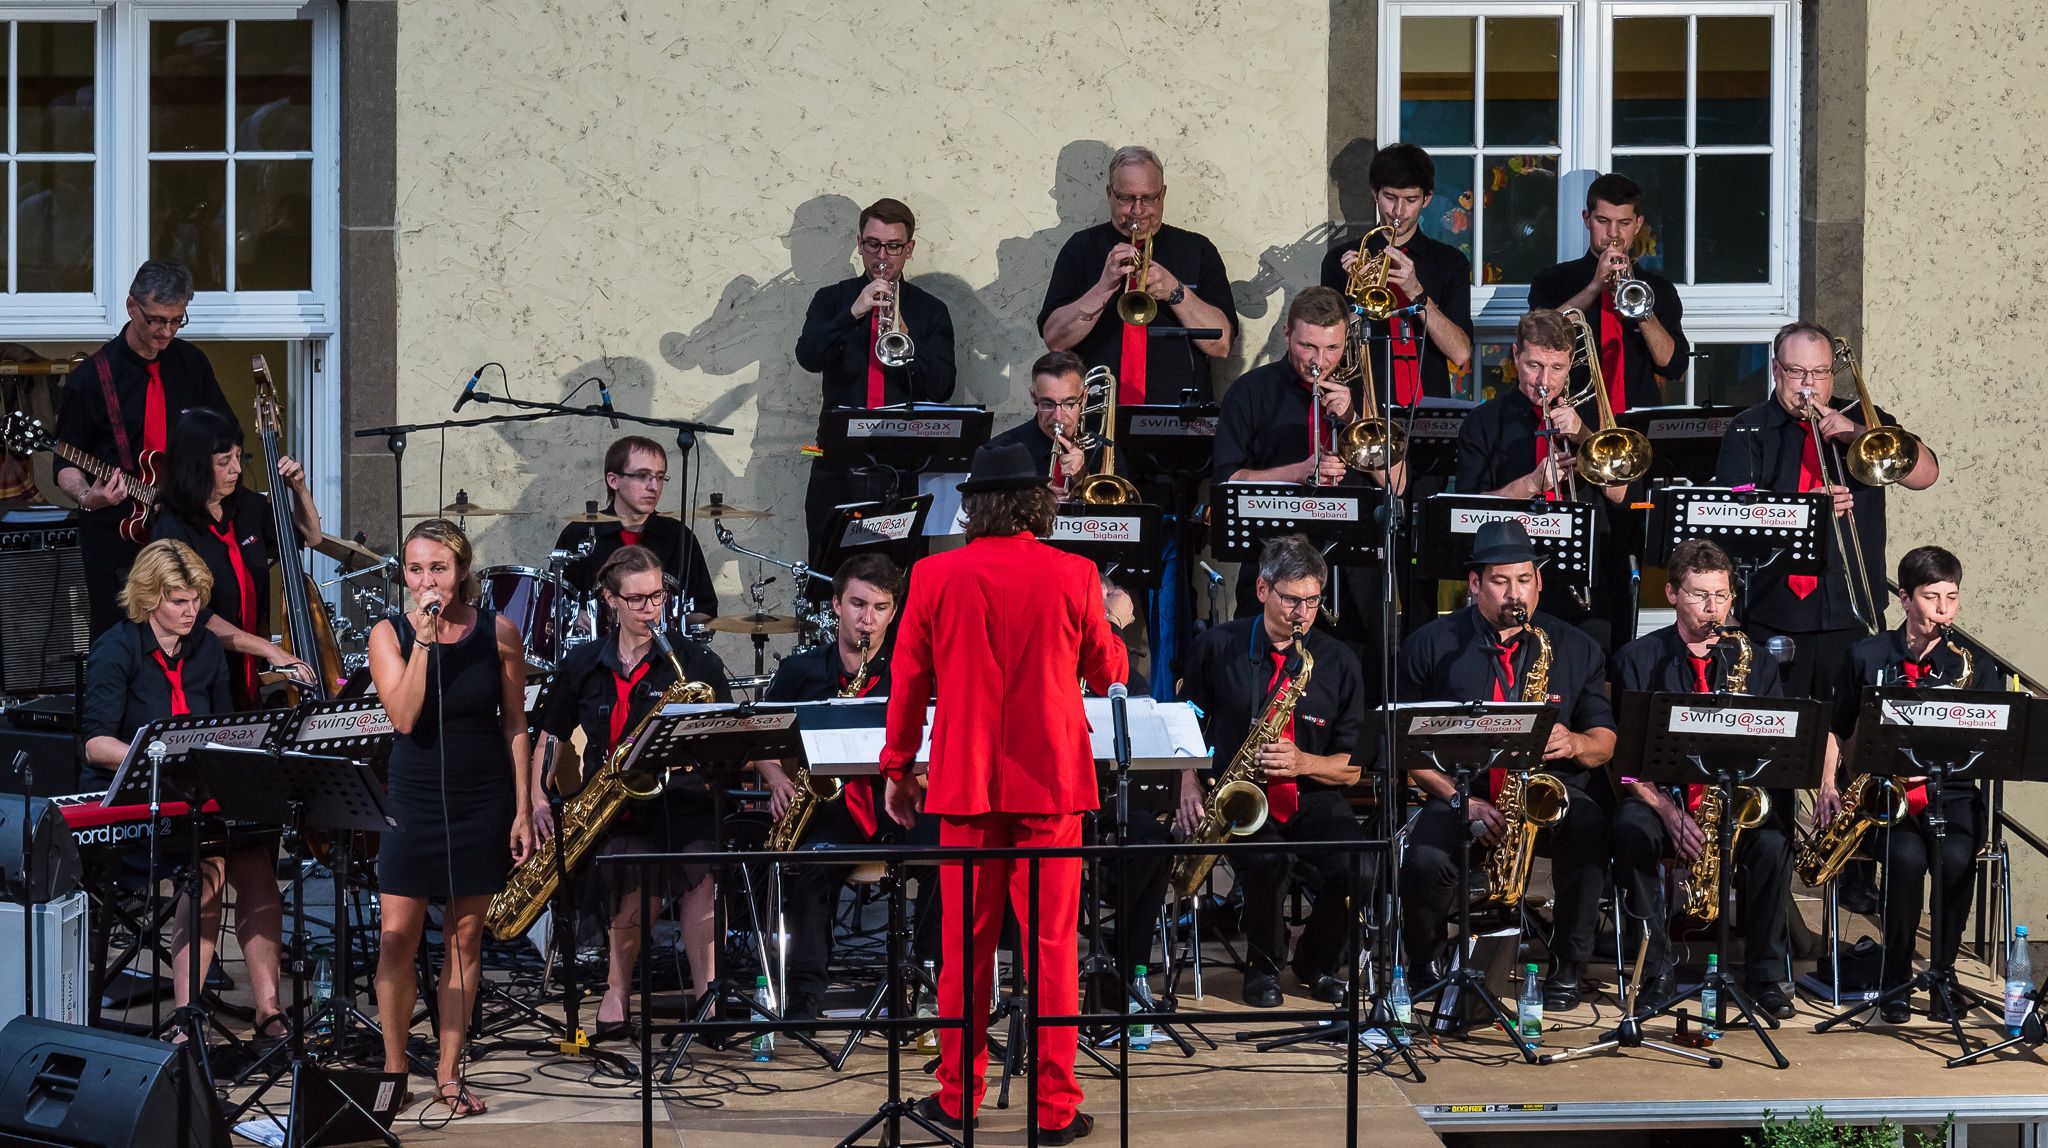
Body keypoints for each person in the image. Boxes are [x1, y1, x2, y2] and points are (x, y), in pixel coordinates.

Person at [880, 441, 1126, 1145]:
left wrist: (898, 768)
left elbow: (909, 684)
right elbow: (1108, 671)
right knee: (1052, 947)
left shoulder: (932, 576)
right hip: (1050, 782)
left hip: (965, 783)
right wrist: (1108, 619)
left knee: (966, 950)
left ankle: (958, 1096)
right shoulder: (1075, 574)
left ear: (974, 504)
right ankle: (1054, 1111)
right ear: (1037, 503)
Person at [1397, 520, 1616, 1011]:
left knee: (1589, 826)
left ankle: (1567, 967)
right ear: (1475, 584)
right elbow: (1405, 751)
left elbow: (1605, 742)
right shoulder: (1433, 644)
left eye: (1524, 580)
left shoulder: (1576, 646)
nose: (1514, 593)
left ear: (1539, 582)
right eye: (1500, 581)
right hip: (1460, 793)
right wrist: (1461, 800)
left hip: (1542, 796)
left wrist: (1576, 741)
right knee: (1425, 861)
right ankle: (1423, 966)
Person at [79, 539, 285, 1041]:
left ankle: (269, 1010)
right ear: (150, 599)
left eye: (196, 600)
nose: (192, 612)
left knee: (258, 868)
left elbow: (219, 726)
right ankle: (187, 1018)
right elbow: (94, 744)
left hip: (196, 790)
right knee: (209, 862)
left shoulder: (206, 648)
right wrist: (155, 752)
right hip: (132, 795)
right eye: (179, 601)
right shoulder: (116, 649)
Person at [532, 544, 733, 1041]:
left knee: (701, 865)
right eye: (638, 600)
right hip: (616, 808)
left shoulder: (694, 661)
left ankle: (708, 996)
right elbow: (551, 736)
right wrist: (536, 797)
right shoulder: (582, 663)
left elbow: (728, 732)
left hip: (681, 798)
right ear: (610, 600)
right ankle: (616, 991)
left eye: (658, 597)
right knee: (628, 865)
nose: (651, 609)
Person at [368, 519, 535, 1118]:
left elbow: (515, 723)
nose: (425, 580)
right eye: (415, 569)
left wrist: (522, 805)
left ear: (461, 571)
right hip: (412, 795)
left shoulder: (499, 632)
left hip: (481, 792)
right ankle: (393, 1065)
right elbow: (406, 718)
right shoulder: (387, 633)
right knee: (396, 936)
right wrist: (424, 642)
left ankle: (448, 1070)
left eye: (437, 568)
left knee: (464, 936)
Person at [1176, 534, 1369, 1007]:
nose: (1302, 613)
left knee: (1359, 867)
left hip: (1312, 795)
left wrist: (1304, 762)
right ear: (1262, 589)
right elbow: (1183, 725)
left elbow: (1354, 768)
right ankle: (1263, 966)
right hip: (1239, 793)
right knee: (1267, 862)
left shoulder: (1339, 661)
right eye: (1291, 599)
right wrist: (1187, 782)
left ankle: (1317, 962)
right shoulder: (1216, 646)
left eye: (1312, 601)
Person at [1608, 539, 1796, 1018]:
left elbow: (1776, 750)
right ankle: (1656, 972)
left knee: (1774, 842)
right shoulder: (1637, 659)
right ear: (1672, 594)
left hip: (1730, 801)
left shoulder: (1756, 662)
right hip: (1659, 800)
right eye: (1699, 595)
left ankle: (1767, 974)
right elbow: (1624, 763)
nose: (1713, 608)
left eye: (1722, 596)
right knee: (1630, 830)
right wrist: (1668, 811)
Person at [1714, 321, 1942, 702]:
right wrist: (1805, 510)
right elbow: (1731, 523)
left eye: (1820, 372)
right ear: (1776, 370)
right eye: (1797, 372)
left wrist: (1857, 433)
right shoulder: (1747, 429)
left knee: (1852, 739)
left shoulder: (1867, 423)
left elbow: (1926, 476)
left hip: (1852, 612)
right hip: (1776, 613)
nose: (1810, 384)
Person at [754, 552, 937, 1028]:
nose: (867, 619)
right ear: (835, 604)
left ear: (893, 612)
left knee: (951, 856)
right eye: (857, 604)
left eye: (879, 608)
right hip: (834, 807)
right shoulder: (801, 670)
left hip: (903, 799)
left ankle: (926, 982)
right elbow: (758, 737)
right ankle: (804, 1000)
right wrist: (775, 779)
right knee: (811, 868)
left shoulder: (914, 670)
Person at [1819, 546, 1992, 1024]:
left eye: (1952, 598)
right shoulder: (1867, 654)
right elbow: (1836, 725)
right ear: (1904, 599)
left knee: (1956, 858)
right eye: (1932, 597)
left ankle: (1942, 974)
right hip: (1885, 795)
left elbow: (1991, 739)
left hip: (1951, 791)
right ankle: (1895, 979)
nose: (1944, 610)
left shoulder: (1972, 664)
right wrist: (1828, 784)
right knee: (1905, 860)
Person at [1211, 286, 1405, 641]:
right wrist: (1298, 472)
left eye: (1333, 347)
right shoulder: (1250, 392)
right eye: (1308, 346)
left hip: (1353, 575)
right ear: (1287, 334)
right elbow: (1227, 482)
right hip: (1272, 569)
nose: (1321, 360)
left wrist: (1352, 417)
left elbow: (1397, 481)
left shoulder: (1369, 392)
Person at [52, 260, 233, 638]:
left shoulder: (192, 364)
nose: (165, 331)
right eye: (155, 320)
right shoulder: (91, 378)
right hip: (116, 540)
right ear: (131, 306)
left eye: (176, 320)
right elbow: (65, 462)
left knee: (193, 641)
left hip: (185, 535)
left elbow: (224, 438)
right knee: (123, 643)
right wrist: (88, 496)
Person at [795, 197, 958, 565]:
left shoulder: (930, 311)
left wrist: (906, 339)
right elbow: (808, 356)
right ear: (859, 244)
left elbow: (942, 387)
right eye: (872, 244)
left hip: (902, 470)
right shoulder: (831, 300)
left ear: (909, 249)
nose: (881, 255)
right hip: (836, 465)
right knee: (828, 577)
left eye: (893, 246)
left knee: (899, 579)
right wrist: (854, 312)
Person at [1454, 308, 1628, 650]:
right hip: (1509, 583)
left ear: (1571, 362)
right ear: (1516, 355)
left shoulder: (1596, 416)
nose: (1544, 381)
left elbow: (1621, 494)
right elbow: (1466, 511)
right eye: (1534, 365)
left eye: (1557, 368)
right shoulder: (1484, 422)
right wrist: (1532, 484)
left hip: (1587, 580)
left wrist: (1582, 435)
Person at [149, 407, 323, 705]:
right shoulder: (172, 528)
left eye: (238, 457)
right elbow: (195, 615)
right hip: (203, 667)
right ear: (197, 466)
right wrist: (268, 650)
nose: (237, 469)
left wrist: (299, 490)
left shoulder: (247, 506)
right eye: (224, 462)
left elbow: (311, 537)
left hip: (252, 661)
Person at [1039, 145, 1237, 405]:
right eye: (1126, 198)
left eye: (1149, 198)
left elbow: (1221, 345)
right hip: (1095, 414)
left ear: (1163, 194)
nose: (1138, 210)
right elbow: (1054, 340)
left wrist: (1175, 291)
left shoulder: (1198, 250)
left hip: (1179, 417)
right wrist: (1104, 287)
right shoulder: (1080, 248)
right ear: (1110, 194)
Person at [1318, 142, 1474, 402]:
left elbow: (1460, 353)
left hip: (1425, 414)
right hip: (1359, 409)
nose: (1398, 212)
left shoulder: (1450, 262)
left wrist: (1417, 292)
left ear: (1427, 200)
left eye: (1410, 200)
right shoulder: (1339, 261)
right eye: (1390, 198)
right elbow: (1326, 349)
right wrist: (1356, 298)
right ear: (1374, 194)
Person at [1528, 173, 1690, 411]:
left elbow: (1674, 366)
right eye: (1603, 221)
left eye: (1624, 223)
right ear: (1587, 219)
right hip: (1572, 419)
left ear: (1638, 224)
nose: (1613, 233)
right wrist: (1595, 287)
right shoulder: (1552, 280)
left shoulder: (1658, 289)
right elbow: (1538, 339)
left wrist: (1641, 310)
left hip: (1635, 426)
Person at [551, 434, 718, 616]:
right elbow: (552, 604)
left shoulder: (679, 537)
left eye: (660, 477)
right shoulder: (579, 534)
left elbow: (705, 610)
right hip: (597, 644)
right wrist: (574, 617)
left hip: (665, 644)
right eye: (642, 476)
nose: (654, 486)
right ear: (613, 480)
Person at [985, 351, 1103, 499]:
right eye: (1047, 404)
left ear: (1084, 397)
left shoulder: (1102, 450)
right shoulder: (999, 451)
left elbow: (1123, 515)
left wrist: (1082, 479)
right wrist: (1035, 500)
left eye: (1068, 404)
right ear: (1033, 397)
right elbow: (981, 511)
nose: (1058, 416)